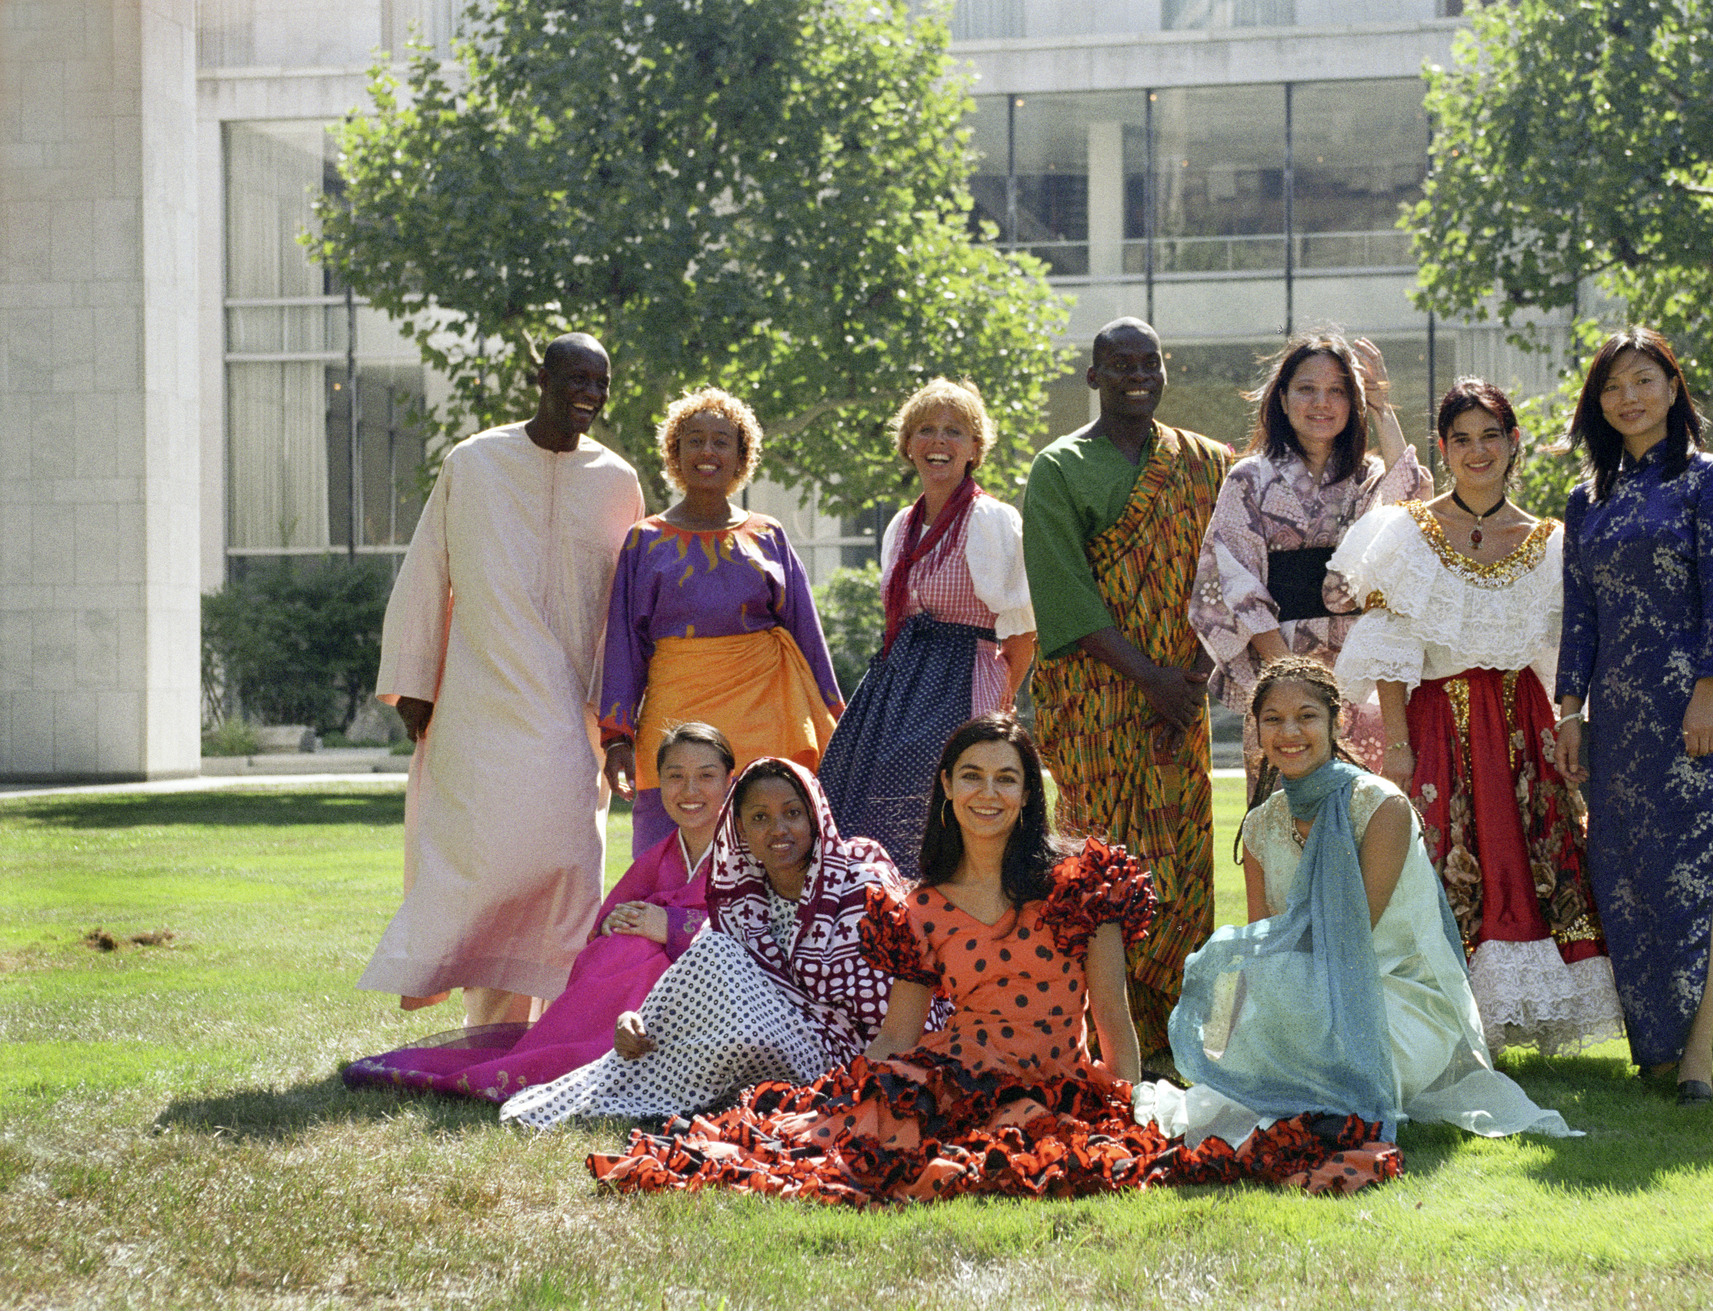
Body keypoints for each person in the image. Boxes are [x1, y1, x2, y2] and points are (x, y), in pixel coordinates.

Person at [583, 714, 1403, 1204]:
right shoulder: (919, 904)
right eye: (970, 776)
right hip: (953, 1076)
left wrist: (1118, 1107)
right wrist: (842, 1100)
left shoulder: (1083, 884)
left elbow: (1115, 1025)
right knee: (870, 1148)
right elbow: (897, 1039)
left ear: (1027, 790)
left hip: (1057, 1085)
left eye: (1005, 778)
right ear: (945, 787)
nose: (987, 793)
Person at [1140, 658, 1579, 1147]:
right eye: (1272, 719)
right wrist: (1230, 1043)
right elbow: (1261, 953)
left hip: (1400, 997)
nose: (1290, 732)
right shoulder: (1261, 826)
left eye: (1306, 716)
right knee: (1234, 1096)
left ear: (1336, 723)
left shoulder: (1380, 806)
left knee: (1323, 1089)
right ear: (1256, 729)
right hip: (1307, 999)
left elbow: (1350, 937)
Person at [358, 333, 645, 1028]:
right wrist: (415, 679)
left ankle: (557, 1025)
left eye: (601, 382)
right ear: (539, 377)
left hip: (570, 711)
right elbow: (429, 566)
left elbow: (626, 600)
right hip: (478, 704)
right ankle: (490, 1029)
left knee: (567, 861)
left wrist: (618, 719)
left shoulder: (617, 480)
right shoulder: (476, 462)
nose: (590, 394)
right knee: (481, 861)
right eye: (576, 377)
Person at [1328, 379, 1622, 1057]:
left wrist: (1567, 725)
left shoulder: (1550, 541)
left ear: (1514, 442)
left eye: (1491, 434)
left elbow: (1562, 652)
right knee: (1437, 860)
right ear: (1443, 447)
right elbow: (1394, 644)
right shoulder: (1406, 532)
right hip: (1434, 722)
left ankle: (1510, 1017)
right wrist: (1396, 746)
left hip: (1523, 725)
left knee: (1530, 862)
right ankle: (1431, 1022)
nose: (1477, 450)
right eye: (1461, 438)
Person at [501, 757, 931, 1129]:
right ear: (739, 827)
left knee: (726, 1007)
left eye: (792, 813)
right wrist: (638, 1017)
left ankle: (645, 1099)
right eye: (760, 818)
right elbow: (697, 976)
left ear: (815, 817)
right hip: (778, 1044)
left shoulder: (858, 882)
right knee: (715, 956)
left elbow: (898, 1015)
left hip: (862, 1056)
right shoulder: (744, 896)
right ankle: (615, 1092)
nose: (778, 829)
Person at [1555, 328, 1713, 1108]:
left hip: (1691, 711)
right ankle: (1658, 1043)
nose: (1629, 397)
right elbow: (1581, 616)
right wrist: (1571, 711)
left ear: (1673, 389)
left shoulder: (1711, 481)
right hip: (1619, 717)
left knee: (1696, 875)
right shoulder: (1588, 499)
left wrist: (1709, 690)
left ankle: (1699, 1048)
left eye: (1643, 380)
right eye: (1613, 387)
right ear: (1599, 405)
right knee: (1631, 879)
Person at [1022, 316, 1232, 1064]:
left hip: (1183, 698)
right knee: (1099, 863)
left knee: (1180, 861)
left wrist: (1196, 676)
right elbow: (1065, 596)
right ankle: (1102, 1038)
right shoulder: (1058, 469)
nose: (1136, 374)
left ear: (1165, 371)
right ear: (1093, 376)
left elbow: (1229, 577)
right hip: (1097, 705)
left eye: (1150, 361)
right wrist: (1151, 678)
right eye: (1119, 363)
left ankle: (1181, 1038)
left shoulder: (1207, 465)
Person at [343, 724, 734, 1100]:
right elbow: (607, 920)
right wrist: (617, 924)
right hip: (642, 989)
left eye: (706, 776)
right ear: (659, 782)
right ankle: (590, 1048)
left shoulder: (743, 853)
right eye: (675, 776)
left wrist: (672, 925)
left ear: (730, 781)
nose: (690, 790)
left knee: (636, 952)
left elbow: (754, 926)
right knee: (618, 949)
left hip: (709, 996)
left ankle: (605, 1052)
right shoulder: (662, 853)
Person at [599, 387, 844, 858]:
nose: (707, 452)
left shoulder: (769, 535)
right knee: (665, 854)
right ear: (675, 452)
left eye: (721, 441)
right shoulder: (643, 541)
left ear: (741, 456)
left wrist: (838, 721)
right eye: (694, 440)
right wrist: (616, 740)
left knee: (770, 851)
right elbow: (624, 647)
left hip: (766, 718)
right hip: (673, 720)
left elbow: (808, 637)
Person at [1191, 332, 1432, 791]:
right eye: (1306, 389)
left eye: (1337, 390)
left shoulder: (1368, 477)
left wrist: (1381, 407)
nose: (1321, 402)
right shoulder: (1250, 479)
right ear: (1282, 399)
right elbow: (1232, 580)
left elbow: (1415, 511)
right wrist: (1292, 679)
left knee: (1371, 823)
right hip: (1282, 673)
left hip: (1363, 674)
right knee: (1284, 827)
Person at [817, 379, 1037, 878]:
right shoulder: (902, 525)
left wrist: (1000, 702)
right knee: (849, 783)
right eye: (926, 430)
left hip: (960, 678)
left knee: (939, 805)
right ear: (908, 445)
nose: (939, 442)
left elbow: (1021, 631)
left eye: (954, 432)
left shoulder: (990, 520)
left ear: (975, 449)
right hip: (897, 685)